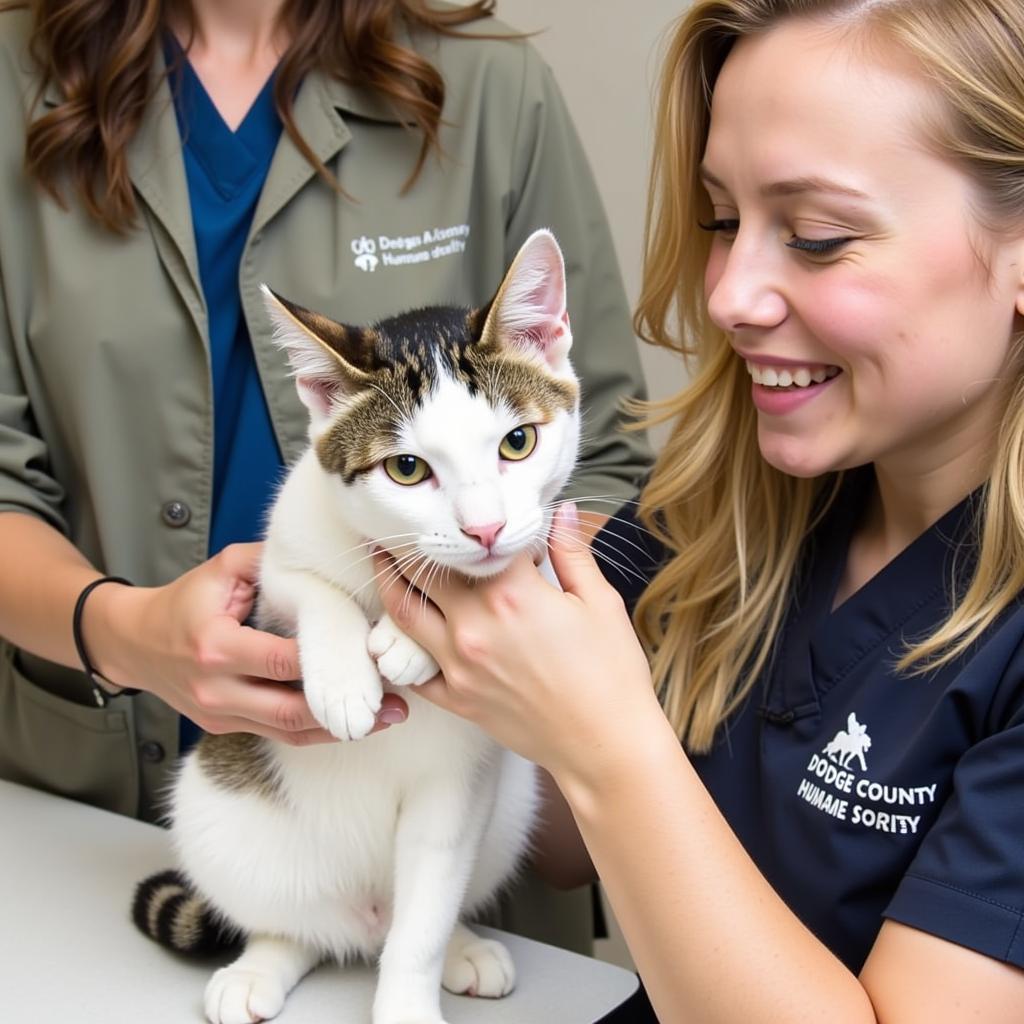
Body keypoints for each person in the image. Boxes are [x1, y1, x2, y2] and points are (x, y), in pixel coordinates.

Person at [373, 1, 1024, 1020]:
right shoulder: (718, 510)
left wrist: (607, 740)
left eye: (815, 236)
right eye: (722, 219)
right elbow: (562, 847)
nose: (726, 294)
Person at [0, 0, 652, 955]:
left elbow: (611, 463)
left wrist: (476, 621)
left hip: (454, 819)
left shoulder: (488, 88)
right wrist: (124, 634)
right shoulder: (15, 81)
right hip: (116, 812)